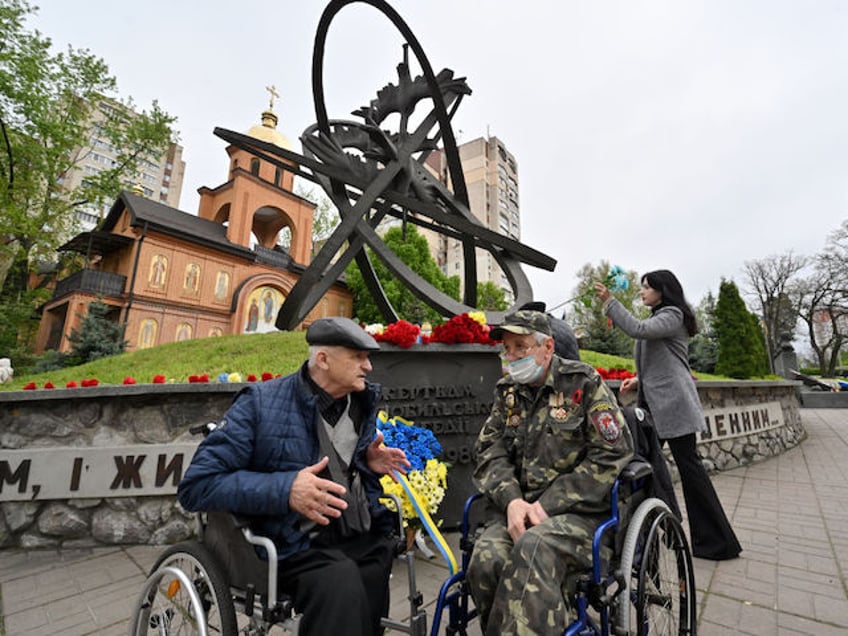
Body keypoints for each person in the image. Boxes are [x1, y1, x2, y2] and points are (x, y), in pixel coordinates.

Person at [178, 316, 410, 635]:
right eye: (358, 356)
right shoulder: (259, 404)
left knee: (377, 559)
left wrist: (366, 464)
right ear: (323, 359)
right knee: (340, 579)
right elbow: (197, 486)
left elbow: (337, 464)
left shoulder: (360, 403)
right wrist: (286, 488)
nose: (368, 366)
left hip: (345, 531)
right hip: (285, 542)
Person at [467, 309, 634, 636]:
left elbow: (613, 451)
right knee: (486, 558)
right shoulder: (508, 393)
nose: (511, 357)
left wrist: (548, 505)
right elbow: (488, 450)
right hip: (518, 513)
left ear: (548, 348)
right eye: (507, 348)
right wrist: (513, 501)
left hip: (581, 518)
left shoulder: (582, 384)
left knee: (533, 548)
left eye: (521, 347)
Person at [595, 269, 742, 561]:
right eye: (642, 287)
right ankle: (655, 532)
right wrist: (638, 379)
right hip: (654, 404)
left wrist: (611, 301)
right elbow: (663, 360)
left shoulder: (672, 315)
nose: (642, 292)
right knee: (647, 467)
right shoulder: (659, 317)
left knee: (688, 470)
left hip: (673, 405)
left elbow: (638, 330)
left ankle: (716, 542)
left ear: (664, 290)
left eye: (647, 287)